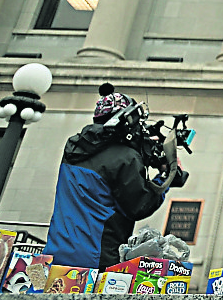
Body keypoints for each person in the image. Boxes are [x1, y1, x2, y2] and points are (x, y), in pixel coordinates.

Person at [44, 83, 178, 269]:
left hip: (56, 252)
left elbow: (102, 181)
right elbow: (140, 205)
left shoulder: (74, 148)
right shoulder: (125, 157)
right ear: (128, 121)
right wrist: (164, 175)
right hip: (97, 256)